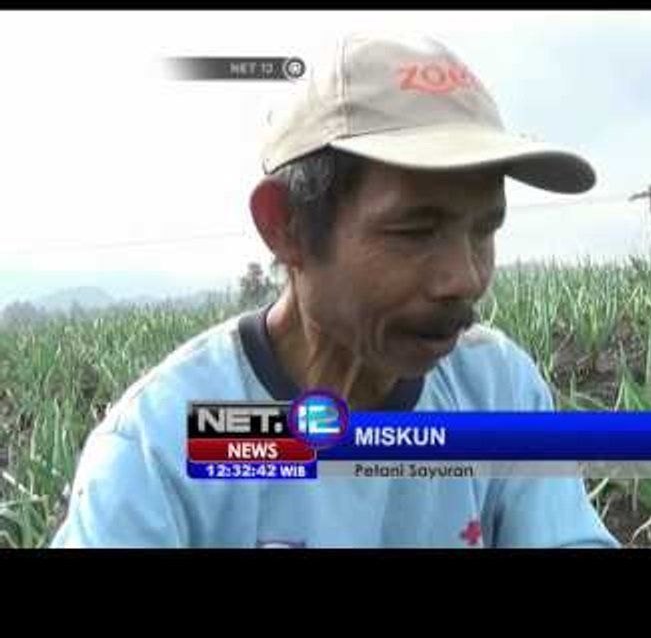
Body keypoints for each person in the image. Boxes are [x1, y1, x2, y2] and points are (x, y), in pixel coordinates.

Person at [51, 34, 619, 548]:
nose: (465, 277)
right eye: (415, 230)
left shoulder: (498, 393)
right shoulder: (164, 448)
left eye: (484, 230)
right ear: (286, 226)